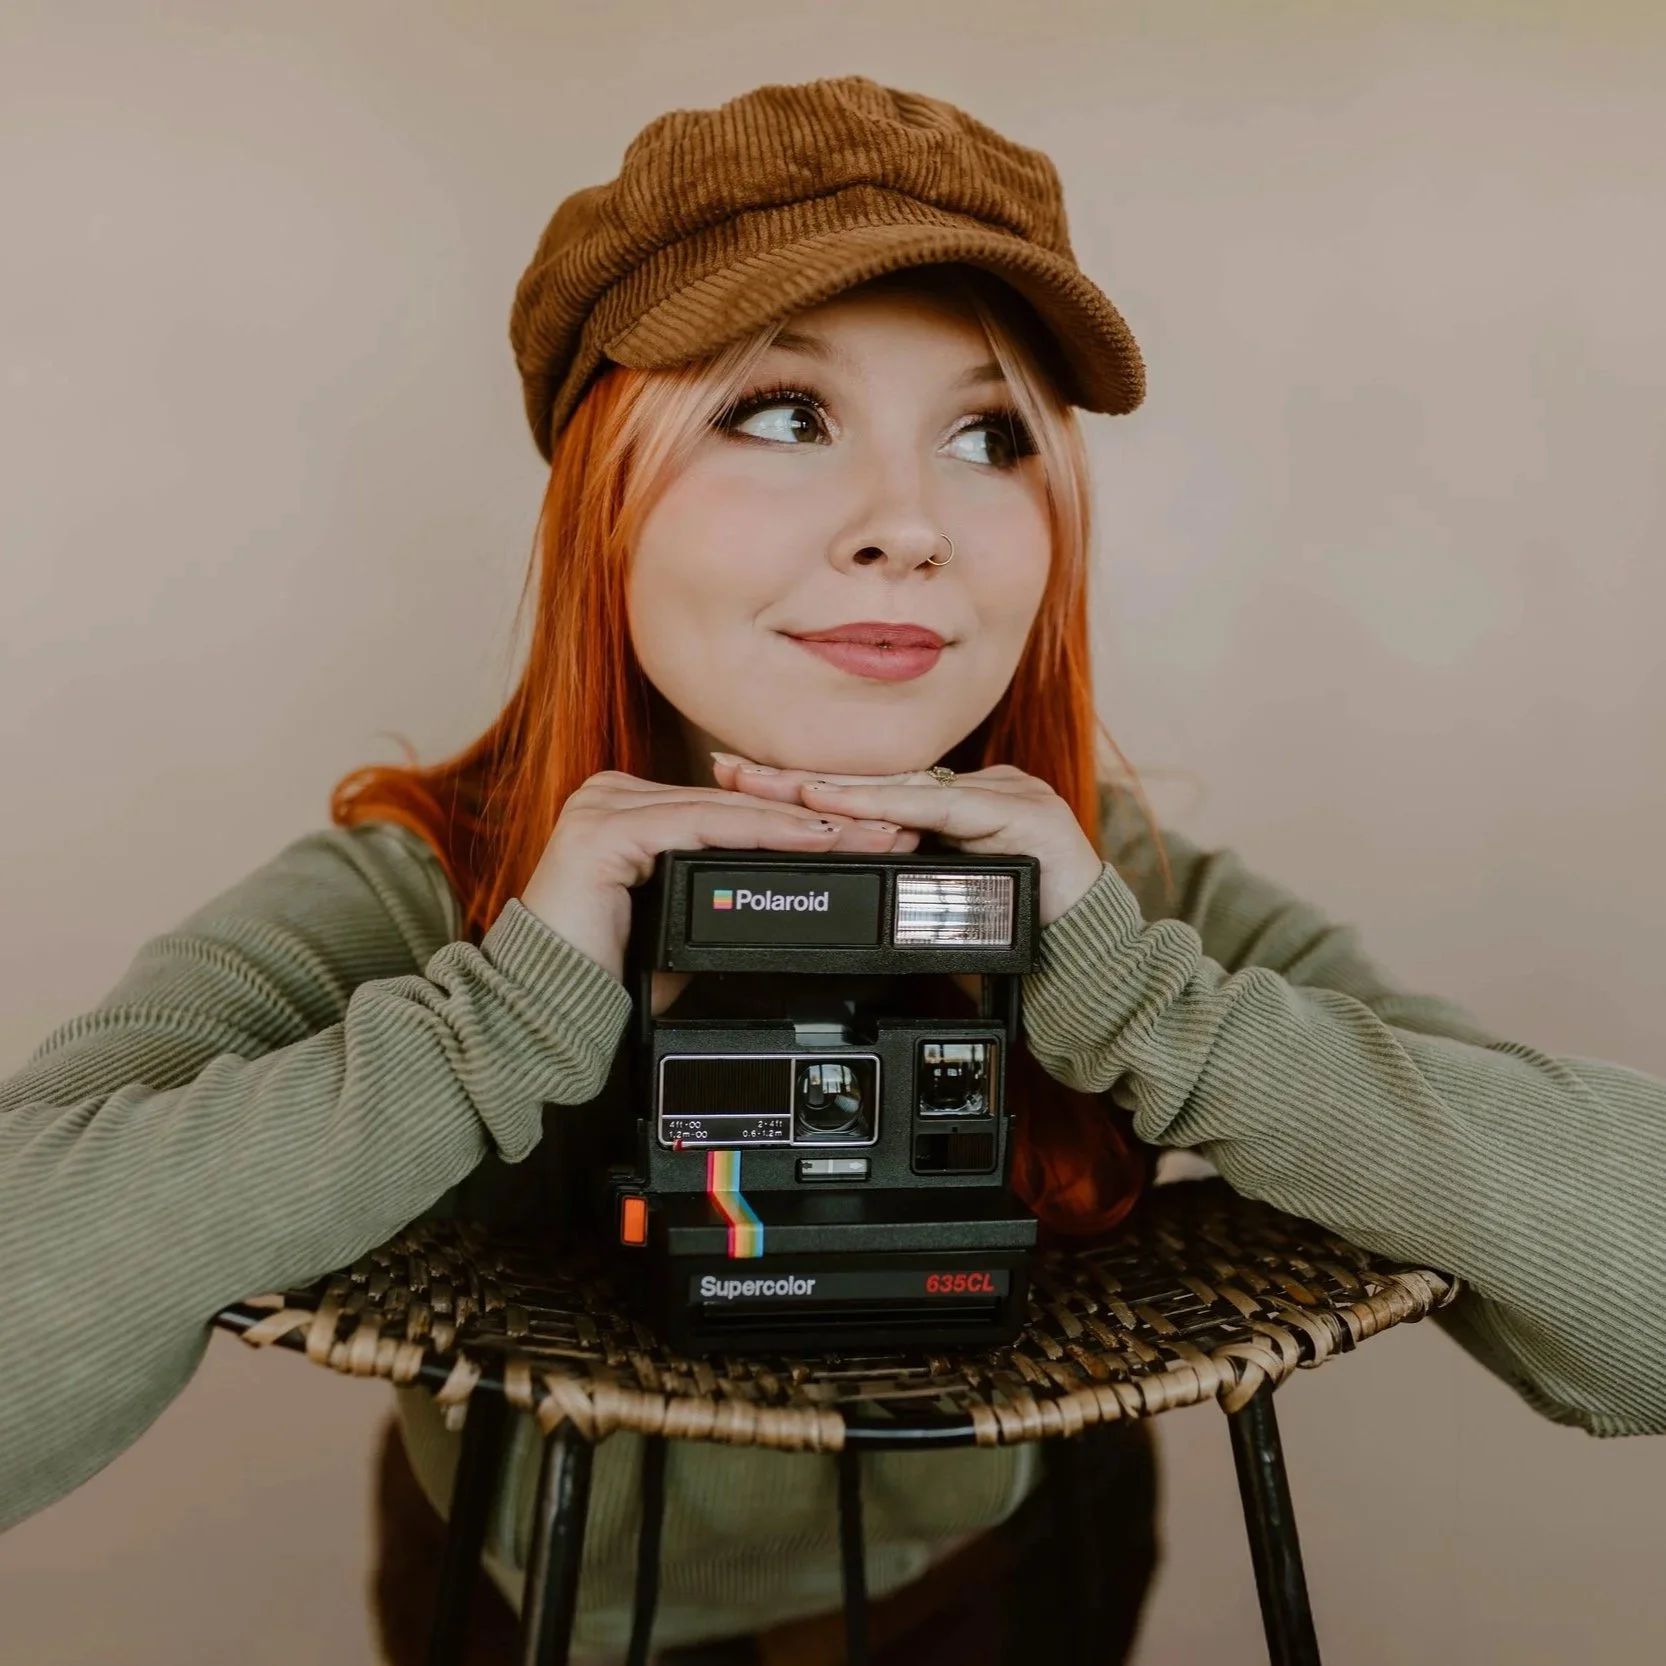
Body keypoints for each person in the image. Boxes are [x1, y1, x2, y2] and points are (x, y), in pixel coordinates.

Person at [3, 73, 1664, 1665]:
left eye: (988, 435)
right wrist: (499, 1020)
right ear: (605, 495)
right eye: (784, 412)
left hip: (995, 1575)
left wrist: (1142, 1002)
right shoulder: (427, 887)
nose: (908, 523)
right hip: (534, 1587)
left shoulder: (1112, 885)